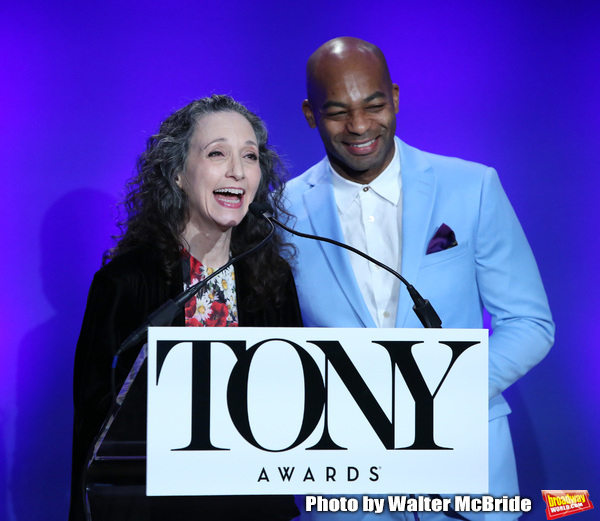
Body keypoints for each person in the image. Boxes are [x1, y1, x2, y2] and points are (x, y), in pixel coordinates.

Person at [285, 37, 554, 520]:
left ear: (395, 97)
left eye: (374, 105)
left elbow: (531, 323)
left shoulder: (473, 188)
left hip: (467, 475)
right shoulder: (280, 213)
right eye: (337, 112)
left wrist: (443, 396)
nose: (360, 126)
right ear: (309, 114)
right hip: (344, 490)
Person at [70, 95, 302, 521]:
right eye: (217, 153)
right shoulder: (124, 284)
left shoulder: (273, 282)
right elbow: (95, 431)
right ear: (177, 173)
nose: (237, 170)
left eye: (249, 157)